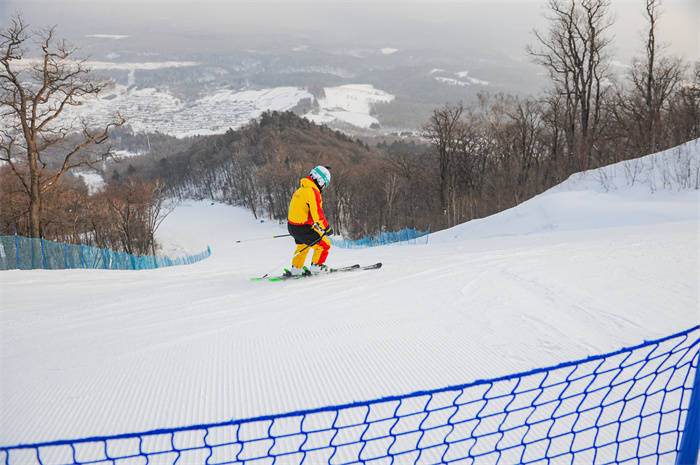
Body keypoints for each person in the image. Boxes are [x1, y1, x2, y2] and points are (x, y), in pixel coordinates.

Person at [284, 165, 333, 276]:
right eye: (325, 184)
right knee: (325, 244)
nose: (324, 187)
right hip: (303, 228)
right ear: (320, 181)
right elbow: (317, 215)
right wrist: (326, 227)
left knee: (303, 247)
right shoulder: (313, 192)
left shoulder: (301, 189)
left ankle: (296, 269)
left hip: (292, 227)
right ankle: (317, 267)